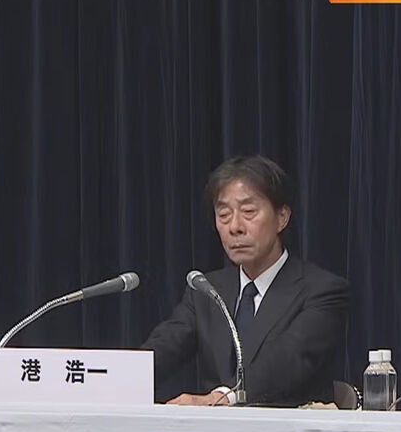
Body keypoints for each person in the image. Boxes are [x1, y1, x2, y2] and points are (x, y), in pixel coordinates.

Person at [143, 156, 349, 407]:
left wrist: (223, 397)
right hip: (217, 431)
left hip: (288, 428)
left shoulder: (322, 290)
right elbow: (165, 348)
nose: (235, 227)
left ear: (282, 217)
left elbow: (288, 362)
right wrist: (117, 378)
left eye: (249, 212)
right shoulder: (207, 290)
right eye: (224, 214)